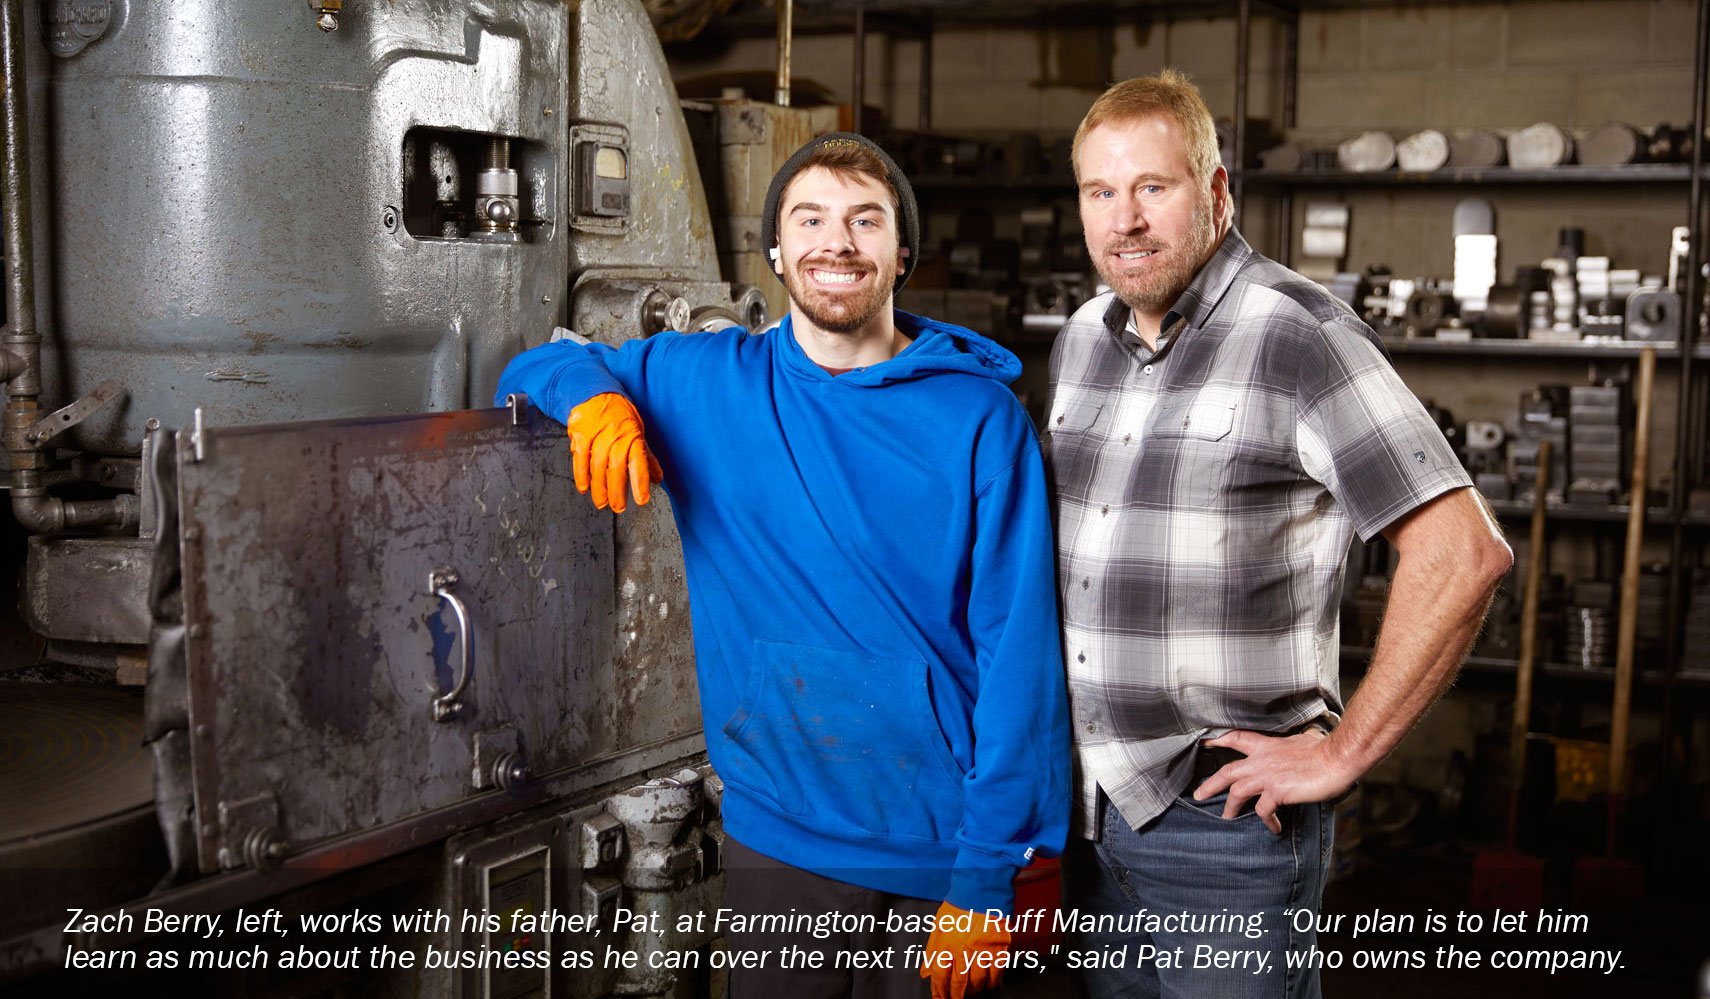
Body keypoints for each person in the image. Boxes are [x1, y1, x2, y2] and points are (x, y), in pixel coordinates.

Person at [495, 133, 1070, 999]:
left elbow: (1021, 664)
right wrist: (595, 401)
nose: (836, 243)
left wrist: (990, 877)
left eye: (863, 221)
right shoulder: (704, 381)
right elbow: (543, 357)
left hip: (937, 858)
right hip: (776, 842)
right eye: (810, 219)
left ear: (901, 251)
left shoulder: (980, 420)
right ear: (775, 250)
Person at [1046, 71, 1513, 999]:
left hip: (1225, 835)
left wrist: (1344, 752)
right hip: (1086, 828)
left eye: (1154, 187)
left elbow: (1463, 552)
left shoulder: (1298, 335)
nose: (1125, 219)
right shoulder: (1081, 341)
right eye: (1102, 192)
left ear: (1218, 193)